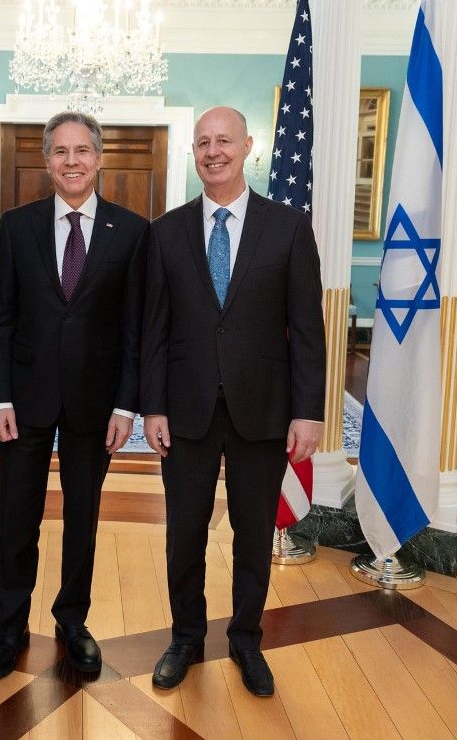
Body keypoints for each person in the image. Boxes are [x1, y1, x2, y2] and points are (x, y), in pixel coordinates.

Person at [141, 106, 326, 697]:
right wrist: (153, 406)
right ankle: (186, 637)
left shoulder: (289, 227)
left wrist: (309, 409)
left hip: (265, 411)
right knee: (184, 533)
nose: (213, 151)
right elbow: (154, 329)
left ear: (249, 146)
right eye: (202, 143)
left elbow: (308, 326)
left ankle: (246, 639)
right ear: (193, 154)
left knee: (252, 534)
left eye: (224, 141)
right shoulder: (165, 231)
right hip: (186, 410)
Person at [0, 111, 148, 679]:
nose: (72, 161)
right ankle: (10, 626)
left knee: (84, 516)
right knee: (15, 516)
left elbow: (135, 329)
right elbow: (0, 318)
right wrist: (0, 397)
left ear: (100, 158)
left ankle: (72, 621)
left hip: (96, 405)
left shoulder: (131, 231)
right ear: (47, 161)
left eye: (82, 151)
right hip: (23, 402)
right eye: (60, 152)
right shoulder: (18, 225)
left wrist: (127, 406)